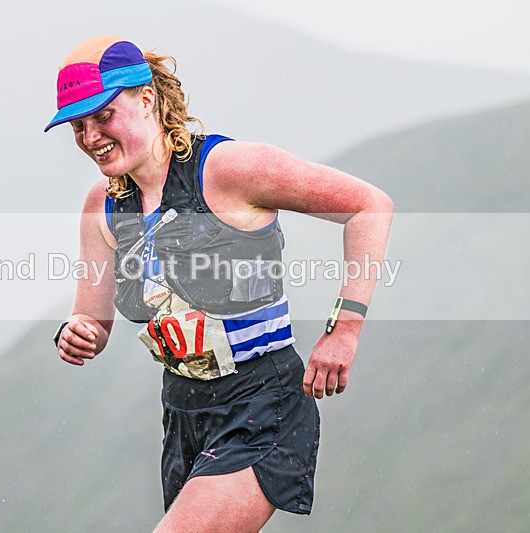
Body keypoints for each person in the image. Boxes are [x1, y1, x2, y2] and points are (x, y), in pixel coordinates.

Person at [46, 35, 393, 532]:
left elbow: (370, 206)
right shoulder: (100, 206)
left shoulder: (227, 169)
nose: (90, 135)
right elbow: (92, 318)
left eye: (103, 115)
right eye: (77, 125)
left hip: (263, 404)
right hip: (184, 414)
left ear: (147, 99)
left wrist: (345, 330)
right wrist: (78, 331)